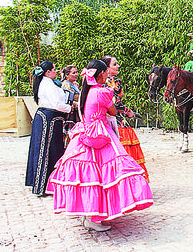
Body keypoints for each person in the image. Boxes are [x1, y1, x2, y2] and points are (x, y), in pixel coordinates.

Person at [46, 59, 153, 232]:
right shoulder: (103, 92)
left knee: (87, 176)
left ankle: (89, 214)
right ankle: (95, 217)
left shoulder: (84, 92)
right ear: (102, 74)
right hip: (101, 133)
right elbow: (113, 111)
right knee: (108, 172)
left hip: (84, 132)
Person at [25, 61, 72, 196]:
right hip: (48, 119)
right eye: (54, 69)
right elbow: (56, 104)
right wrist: (70, 108)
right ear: (47, 72)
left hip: (52, 119)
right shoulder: (47, 85)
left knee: (53, 149)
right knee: (45, 150)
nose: (56, 72)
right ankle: (42, 185)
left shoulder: (50, 83)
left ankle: (49, 183)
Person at [101, 55, 149, 182]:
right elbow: (115, 103)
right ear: (107, 67)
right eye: (114, 64)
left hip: (102, 119)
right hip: (116, 119)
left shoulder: (98, 82)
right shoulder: (114, 81)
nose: (117, 66)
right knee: (124, 149)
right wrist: (129, 112)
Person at [61, 65, 81, 147]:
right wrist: (78, 104)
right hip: (71, 114)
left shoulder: (75, 85)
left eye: (76, 72)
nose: (76, 74)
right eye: (73, 73)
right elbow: (67, 101)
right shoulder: (66, 85)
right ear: (67, 75)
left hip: (76, 112)